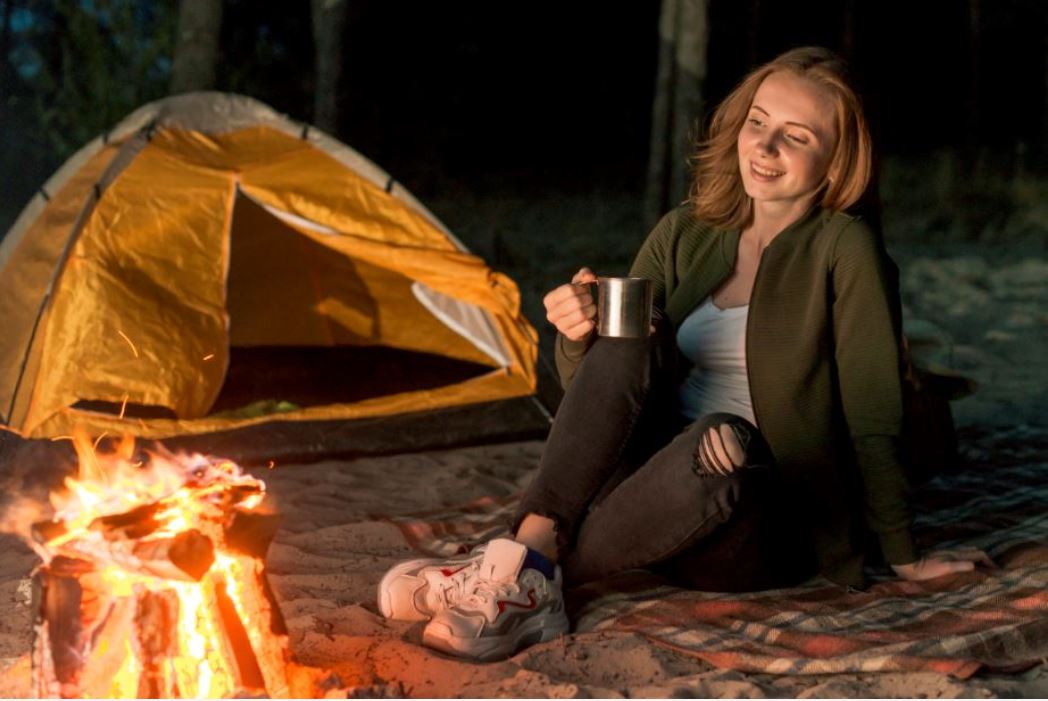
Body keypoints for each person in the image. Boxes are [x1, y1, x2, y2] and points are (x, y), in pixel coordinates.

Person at [375, 46, 990, 662]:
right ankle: (524, 571)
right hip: (643, 486)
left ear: (836, 163)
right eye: (758, 121)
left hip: (753, 516)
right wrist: (577, 333)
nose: (765, 146)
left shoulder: (845, 251)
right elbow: (601, 392)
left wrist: (903, 555)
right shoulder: (687, 229)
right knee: (629, 333)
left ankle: (510, 571)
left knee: (718, 440)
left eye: (795, 136)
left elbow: (873, 411)